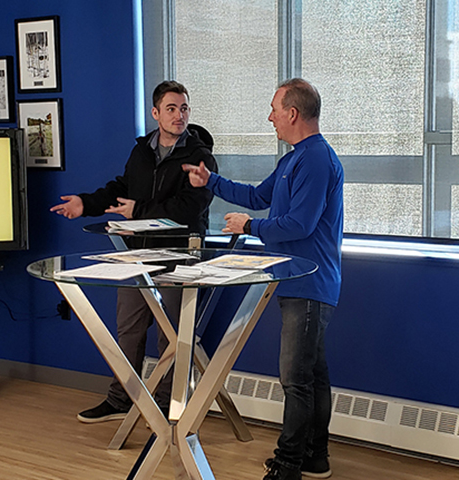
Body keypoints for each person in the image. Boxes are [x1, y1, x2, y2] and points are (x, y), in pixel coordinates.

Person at [183, 78, 343, 480]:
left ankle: (289, 464)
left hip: (310, 283)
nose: (269, 116)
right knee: (311, 374)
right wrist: (212, 181)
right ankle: (314, 457)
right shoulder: (292, 159)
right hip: (294, 282)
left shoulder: (318, 159)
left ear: (293, 113)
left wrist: (251, 226)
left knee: (295, 379)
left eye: (274, 109)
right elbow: (258, 195)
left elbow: (300, 225)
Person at [50, 81, 218, 423]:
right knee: (128, 328)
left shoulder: (200, 157)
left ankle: (170, 407)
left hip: (179, 256)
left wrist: (139, 210)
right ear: (155, 113)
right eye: (171, 109)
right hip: (136, 254)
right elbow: (121, 189)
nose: (179, 115)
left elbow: (189, 209)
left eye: (184, 108)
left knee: (171, 333)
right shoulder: (141, 152)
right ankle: (121, 398)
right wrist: (87, 203)